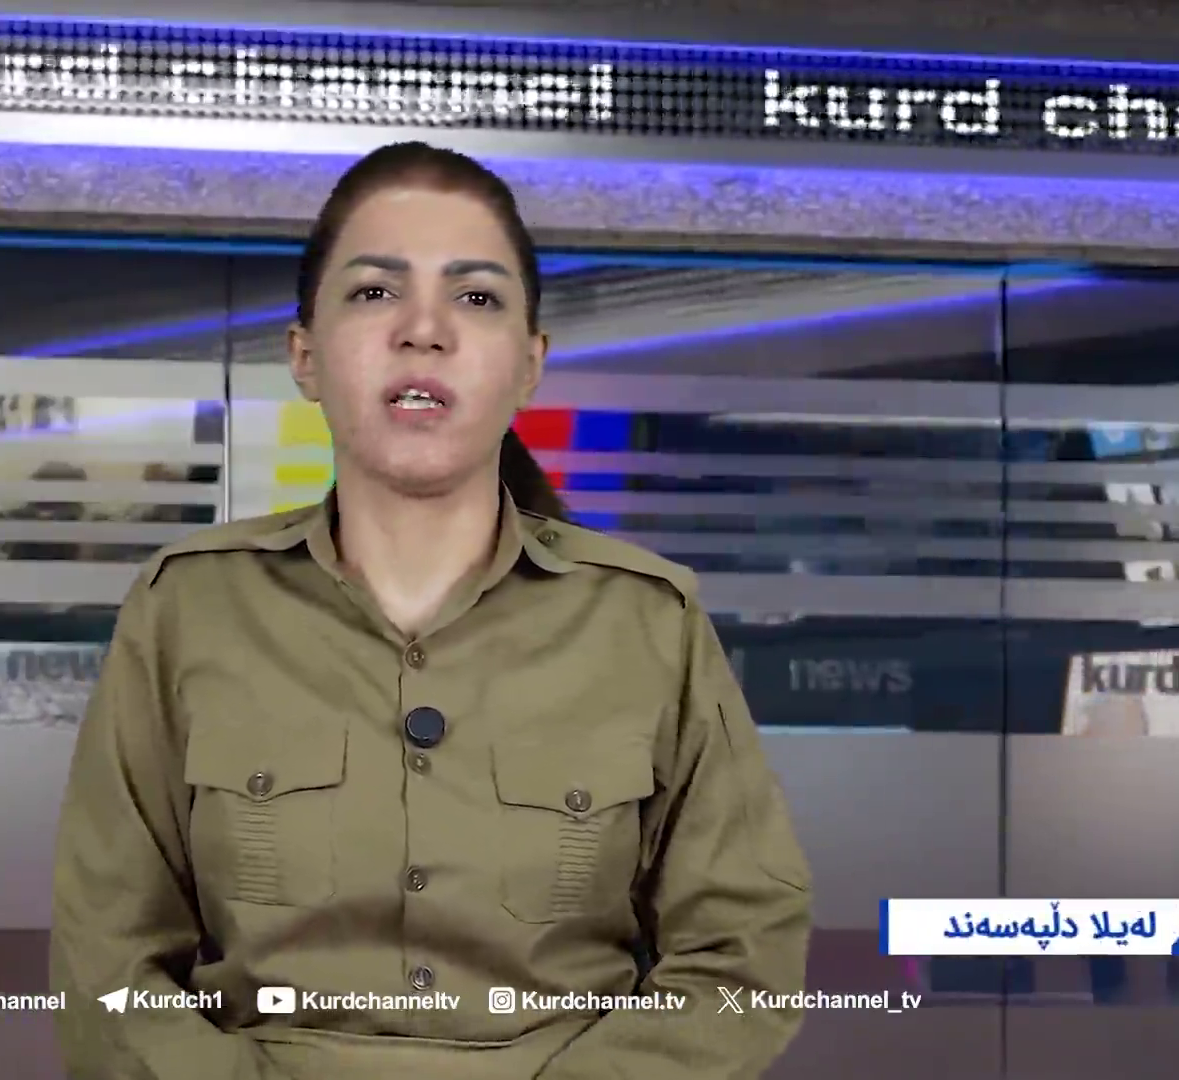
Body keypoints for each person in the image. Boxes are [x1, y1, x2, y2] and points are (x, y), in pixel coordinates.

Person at [51, 142, 812, 1079]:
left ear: (529, 364)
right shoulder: (188, 607)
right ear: (304, 356)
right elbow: (109, 967)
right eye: (375, 292)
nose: (424, 330)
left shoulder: (648, 619)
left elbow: (742, 958)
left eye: (476, 297)